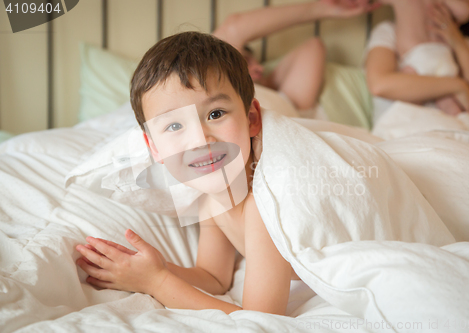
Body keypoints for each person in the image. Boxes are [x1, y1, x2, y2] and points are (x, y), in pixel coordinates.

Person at [75, 31, 303, 315]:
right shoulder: (211, 196)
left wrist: (157, 283)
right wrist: (157, 269)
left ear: (252, 119)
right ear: (154, 147)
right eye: (174, 126)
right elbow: (215, 278)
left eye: (215, 114)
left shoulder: (262, 203)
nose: (199, 139)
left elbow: (263, 319)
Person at [213, 0, 380, 116]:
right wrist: (321, 9)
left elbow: (313, 47)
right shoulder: (216, 90)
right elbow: (233, 28)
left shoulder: (288, 100)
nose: (260, 68)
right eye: (246, 62)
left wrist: (269, 81)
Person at [365, 0, 469, 123]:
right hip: (407, 126)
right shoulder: (389, 31)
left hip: (460, 129)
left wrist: (458, 43)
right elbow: (380, 84)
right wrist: (458, 86)